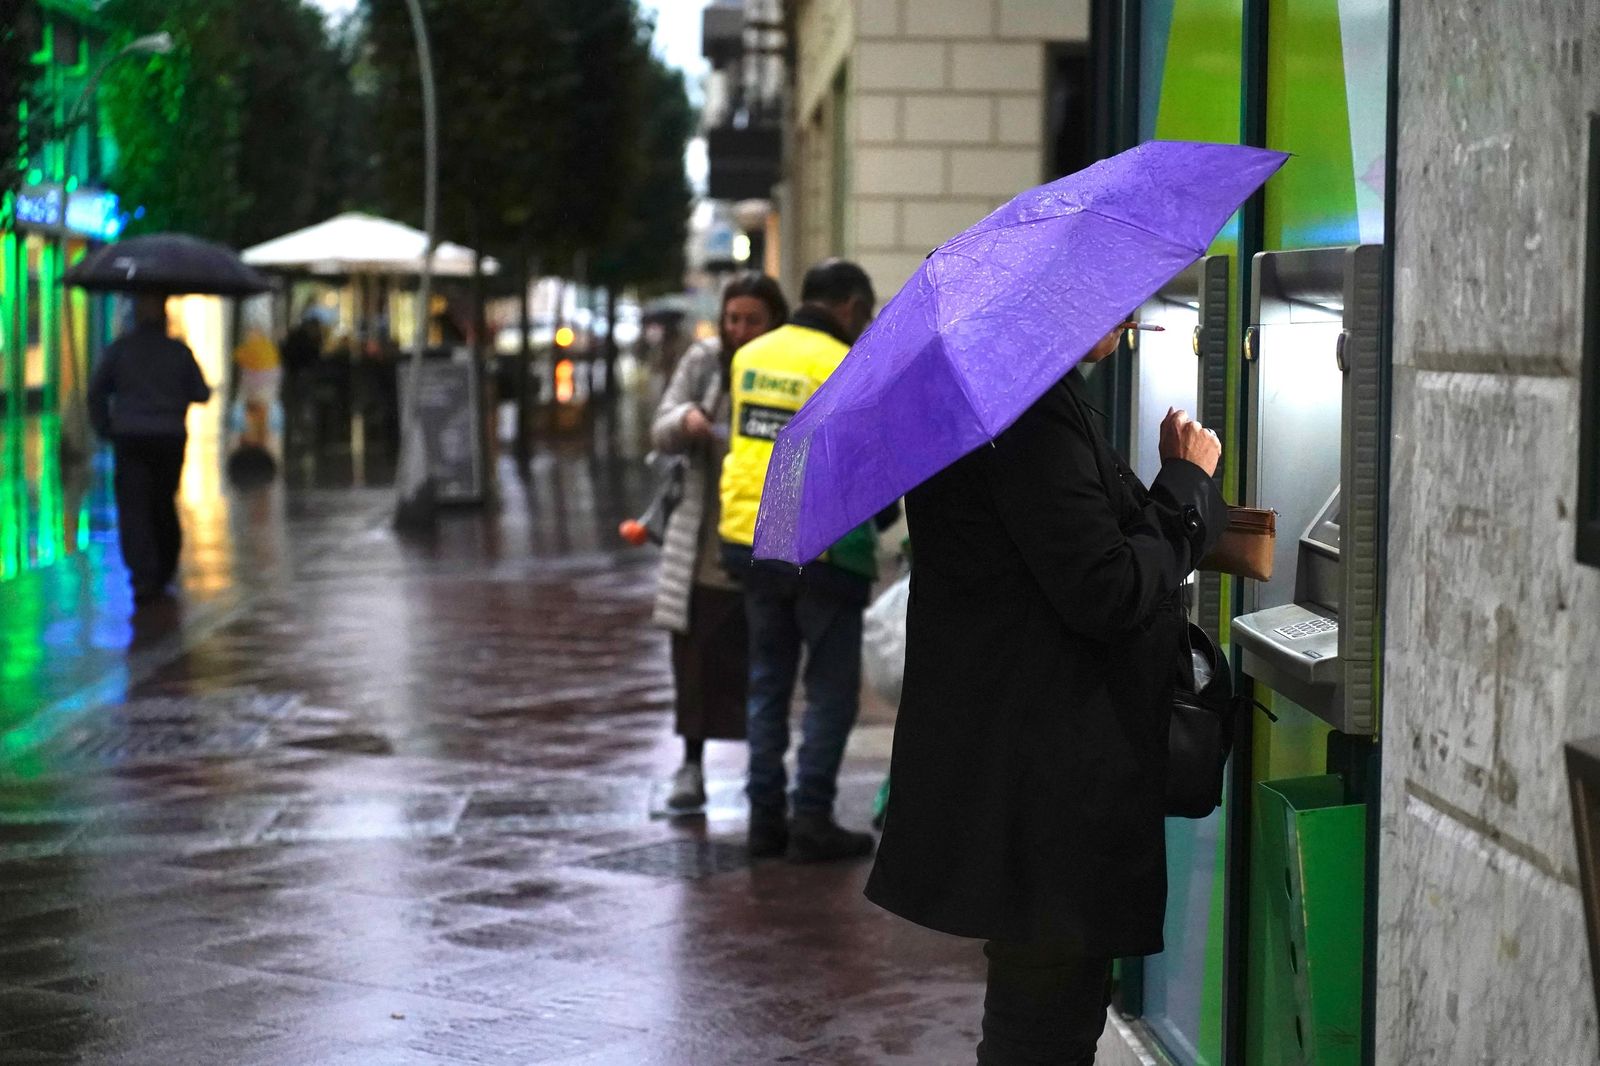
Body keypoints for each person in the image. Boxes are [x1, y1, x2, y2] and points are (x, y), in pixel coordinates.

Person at [863, 323, 1227, 1065]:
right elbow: (1107, 586)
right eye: (1113, 304)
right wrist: (1187, 484)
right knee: (1045, 1023)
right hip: (1049, 769)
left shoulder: (1005, 396)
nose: (1127, 320)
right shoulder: (1026, 410)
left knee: (1045, 1007)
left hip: (1021, 752)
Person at [718, 258, 886, 863]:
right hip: (822, 542)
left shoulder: (750, 356)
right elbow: (861, 461)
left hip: (755, 537)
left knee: (767, 684)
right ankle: (811, 817)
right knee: (831, 690)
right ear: (846, 306)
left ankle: (765, 819)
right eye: (863, 313)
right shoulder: (843, 365)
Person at [650, 273, 790, 811]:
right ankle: (691, 767)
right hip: (704, 540)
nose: (740, 329)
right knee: (695, 659)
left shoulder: (783, 365)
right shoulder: (705, 361)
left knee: (763, 660)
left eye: (752, 319)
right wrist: (685, 419)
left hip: (764, 537)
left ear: (774, 319)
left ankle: (765, 775)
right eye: (733, 318)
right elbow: (659, 426)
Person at [87, 293, 213, 607]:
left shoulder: (120, 350)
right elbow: (201, 392)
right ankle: (164, 569)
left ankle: (144, 575)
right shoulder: (178, 351)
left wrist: (105, 426)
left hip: (129, 437)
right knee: (162, 501)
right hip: (169, 436)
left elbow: (96, 391)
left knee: (134, 506)